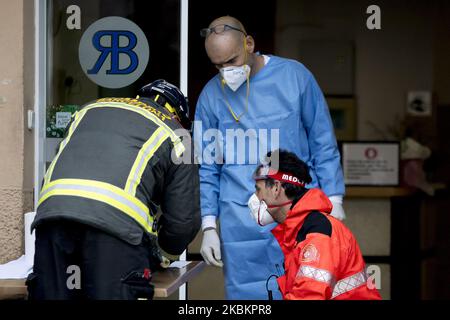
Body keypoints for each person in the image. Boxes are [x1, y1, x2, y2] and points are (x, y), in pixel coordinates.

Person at [194, 16, 346, 299]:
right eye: (218, 65)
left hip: (297, 213)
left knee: (306, 289)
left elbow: (322, 140)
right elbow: (208, 167)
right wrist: (209, 225)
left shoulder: (295, 77)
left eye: (232, 60)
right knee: (248, 298)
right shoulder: (211, 96)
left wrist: (334, 198)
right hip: (240, 222)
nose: (227, 72)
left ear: (249, 43)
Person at [27, 80, 200, 300]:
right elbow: (183, 221)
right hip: (114, 232)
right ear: (178, 116)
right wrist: (163, 255)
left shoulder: (89, 109)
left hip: (52, 219)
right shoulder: (178, 133)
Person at [249, 149, 381, 300]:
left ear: (276, 188)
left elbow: (308, 296)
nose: (255, 198)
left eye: (258, 190)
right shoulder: (301, 229)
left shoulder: (317, 232)